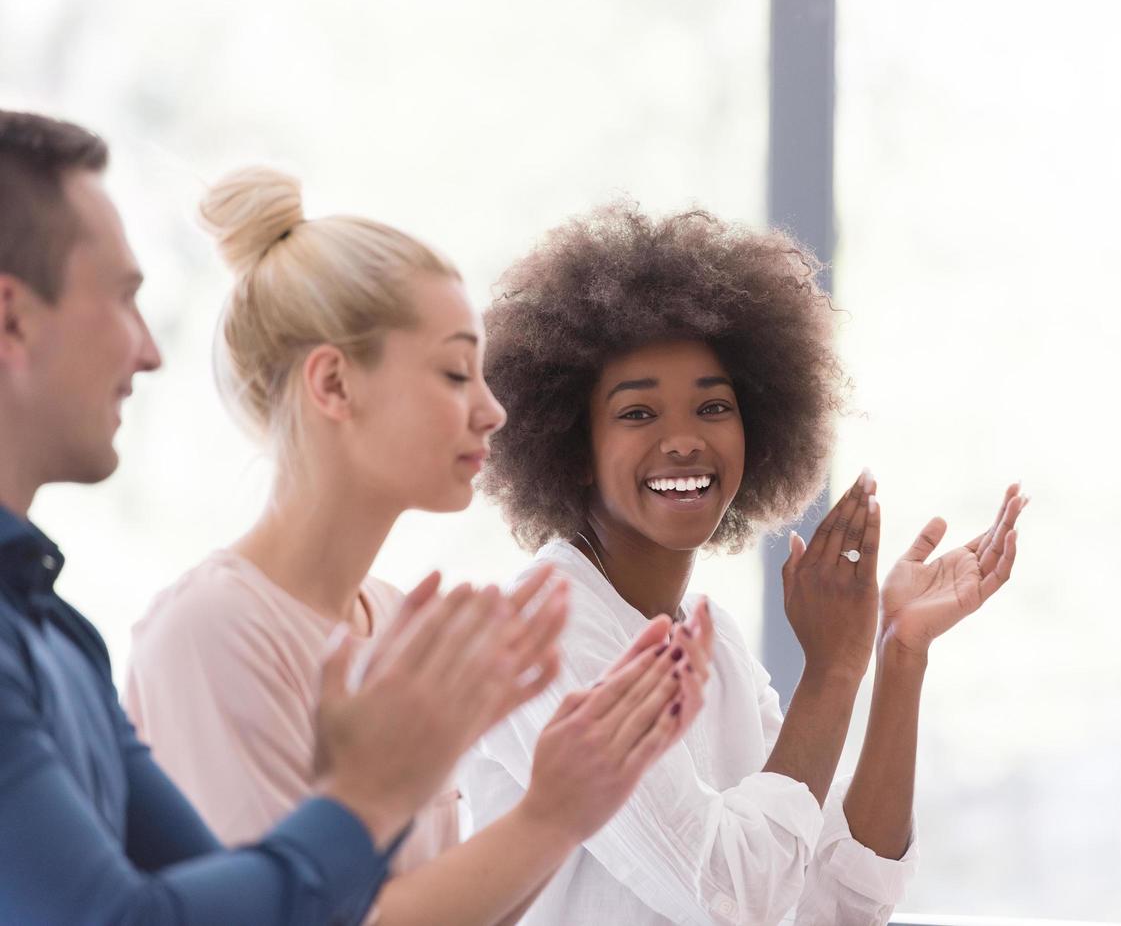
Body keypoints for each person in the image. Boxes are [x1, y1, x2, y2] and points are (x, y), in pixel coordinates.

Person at [0, 110, 552, 924]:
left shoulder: (58, 636)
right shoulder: (200, 626)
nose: (150, 351)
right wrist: (373, 798)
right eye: (122, 298)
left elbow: (260, 898)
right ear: (11, 319)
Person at [124, 167, 709, 926]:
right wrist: (553, 815)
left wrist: (580, 790)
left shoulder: (398, 624)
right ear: (333, 384)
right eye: (454, 371)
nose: (492, 411)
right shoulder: (211, 633)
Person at [460, 204, 1027, 925]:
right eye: (637, 414)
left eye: (713, 408)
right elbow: (728, 899)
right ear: (572, 447)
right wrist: (829, 674)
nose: (682, 441)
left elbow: (834, 903)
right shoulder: (545, 631)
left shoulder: (714, 644)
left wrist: (896, 652)